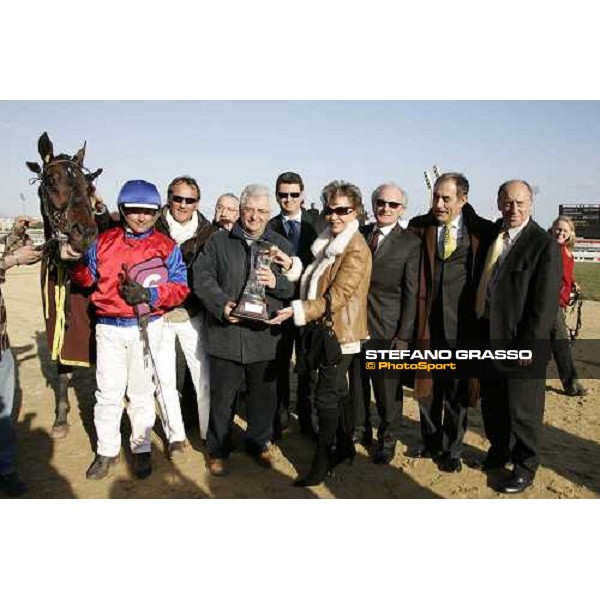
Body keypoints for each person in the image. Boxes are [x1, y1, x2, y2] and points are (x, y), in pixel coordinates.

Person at [65, 180, 189, 480]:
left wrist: (151, 296)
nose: (141, 217)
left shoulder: (165, 245)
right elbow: (86, 280)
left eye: (147, 212)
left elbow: (181, 287)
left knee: (141, 392)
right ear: (122, 210)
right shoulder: (104, 241)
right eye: (134, 211)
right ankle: (107, 450)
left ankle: (141, 447)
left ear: (157, 213)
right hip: (109, 327)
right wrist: (75, 258)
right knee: (108, 393)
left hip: (147, 326)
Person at [271, 180, 372, 487]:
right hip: (324, 329)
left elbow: (337, 297)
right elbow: (316, 278)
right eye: (330, 209)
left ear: (355, 211)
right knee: (336, 394)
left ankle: (323, 459)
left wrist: (297, 310)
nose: (335, 216)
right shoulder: (329, 241)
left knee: (325, 397)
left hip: (340, 333)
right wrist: (290, 264)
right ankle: (343, 447)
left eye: (343, 210)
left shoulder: (354, 248)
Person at [193, 184, 297, 476]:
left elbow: (294, 289)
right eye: (249, 210)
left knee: (263, 397)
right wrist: (221, 305)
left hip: (265, 338)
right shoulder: (218, 241)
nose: (254, 216)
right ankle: (218, 449)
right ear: (240, 210)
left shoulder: (281, 246)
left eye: (262, 211)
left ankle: (259, 441)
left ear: (270, 213)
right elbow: (201, 278)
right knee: (223, 397)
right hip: (226, 334)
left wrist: (278, 284)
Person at [477, 180, 561, 493]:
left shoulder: (542, 244)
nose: (514, 209)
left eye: (521, 203)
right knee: (494, 402)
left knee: (523, 411)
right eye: (508, 202)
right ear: (499, 202)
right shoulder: (494, 235)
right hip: (489, 336)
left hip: (521, 342)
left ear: (531, 204)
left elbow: (544, 306)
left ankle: (525, 466)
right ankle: (499, 451)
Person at [409, 172, 494, 473]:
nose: (439, 204)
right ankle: (430, 442)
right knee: (427, 389)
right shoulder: (418, 227)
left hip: (464, 329)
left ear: (463, 199)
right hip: (427, 325)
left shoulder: (482, 231)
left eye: (446, 198)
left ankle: (453, 448)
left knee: (457, 393)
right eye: (435, 197)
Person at [350, 182, 420, 464]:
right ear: (373, 203)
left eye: (393, 204)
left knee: (387, 392)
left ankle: (387, 439)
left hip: (388, 330)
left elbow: (412, 294)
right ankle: (360, 429)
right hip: (355, 326)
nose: (385, 208)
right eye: (381, 202)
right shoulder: (360, 235)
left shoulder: (410, 243)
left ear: (402, 209)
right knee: (357, 384)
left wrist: (403, 336)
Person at [154, 176, 217, 459]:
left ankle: (207, 434)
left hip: (192, 313)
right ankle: (175, 436)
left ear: (197, 203)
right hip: (158, 315)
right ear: (169, 198)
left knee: (202, 377)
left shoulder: (209, 232)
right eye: (177, 198)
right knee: (164, 378)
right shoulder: (152, 227)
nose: (182, 205)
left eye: (189, 200)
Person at [267, 171, 319, 438]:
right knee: (280, 363)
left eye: (294, 195)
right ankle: (281, 417)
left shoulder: (317, 224)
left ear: (302, 195)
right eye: (283, 195)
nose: (288, 199)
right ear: (277, 196)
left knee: (307, 366)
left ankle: (308, 418)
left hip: (310, 307)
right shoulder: (268, 226)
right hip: (279, 305)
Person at [0, 218, 43, 497]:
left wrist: (17, 233)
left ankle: (5, 470)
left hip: (1, 343)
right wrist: (15, 259)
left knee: (3, 413)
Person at [549, 216, 587, 397]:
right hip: (550, 302)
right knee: (561, 343)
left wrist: (573, 283)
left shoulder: (566, 250)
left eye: (564, 230)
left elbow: (565, 274)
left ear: (571, 233)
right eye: (558, 229)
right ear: (552, 228)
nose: (561, 233)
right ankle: (571, 384)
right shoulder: (552, 248)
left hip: (559, 302)